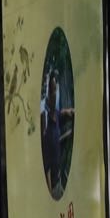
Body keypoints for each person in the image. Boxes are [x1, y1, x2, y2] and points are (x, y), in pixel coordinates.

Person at [40, 69, 75, 197]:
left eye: (55, 90)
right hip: (54, 188)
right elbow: (46, 168)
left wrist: (69, 133)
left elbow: (68, 112)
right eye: (51, 91)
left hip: (60, 181)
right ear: (47, 95)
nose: (54, 94)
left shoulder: (57, 115)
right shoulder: (45, 125)